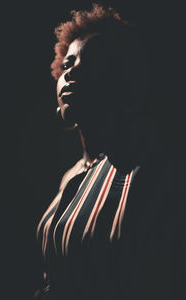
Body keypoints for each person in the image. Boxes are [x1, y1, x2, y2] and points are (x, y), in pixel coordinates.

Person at [35, 4, 184, 300]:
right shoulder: (72, 175)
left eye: (92, 60)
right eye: (67, 64)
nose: (72, 71)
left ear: (126, 79)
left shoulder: (152, 171)